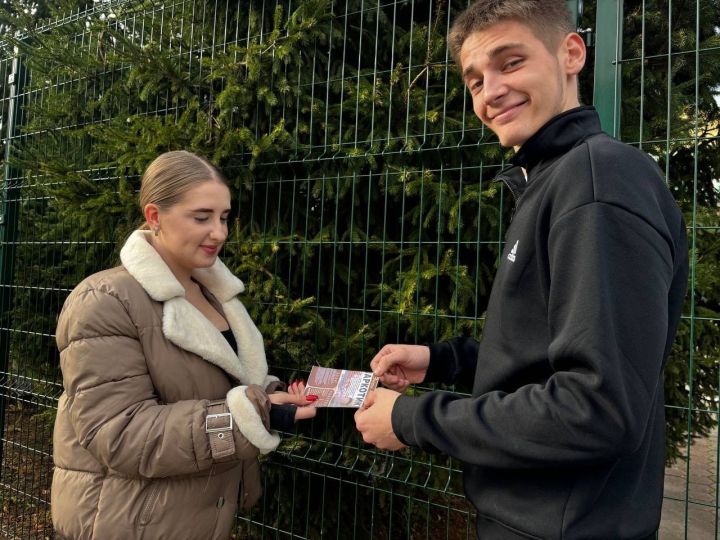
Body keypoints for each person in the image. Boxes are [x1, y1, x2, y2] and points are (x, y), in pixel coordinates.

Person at [354, 1, 689, 539]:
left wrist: (412, 419)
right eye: (475, 81)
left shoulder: (597, 183)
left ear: (571, 53)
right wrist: (442, 360)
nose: (490, 93)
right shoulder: (555, 180)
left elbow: (597, 408)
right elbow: (548, 355)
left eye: (511, 63)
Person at [51, 150, 316, 540]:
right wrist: (255, 415)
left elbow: (215, 383)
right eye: (202, 217)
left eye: (224, 217)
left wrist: (271, 395)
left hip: (192, 517)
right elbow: (119, 433)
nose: (220, 233)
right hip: (128, 521)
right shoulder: (105, 300)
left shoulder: (213, 296)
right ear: (155, 216)